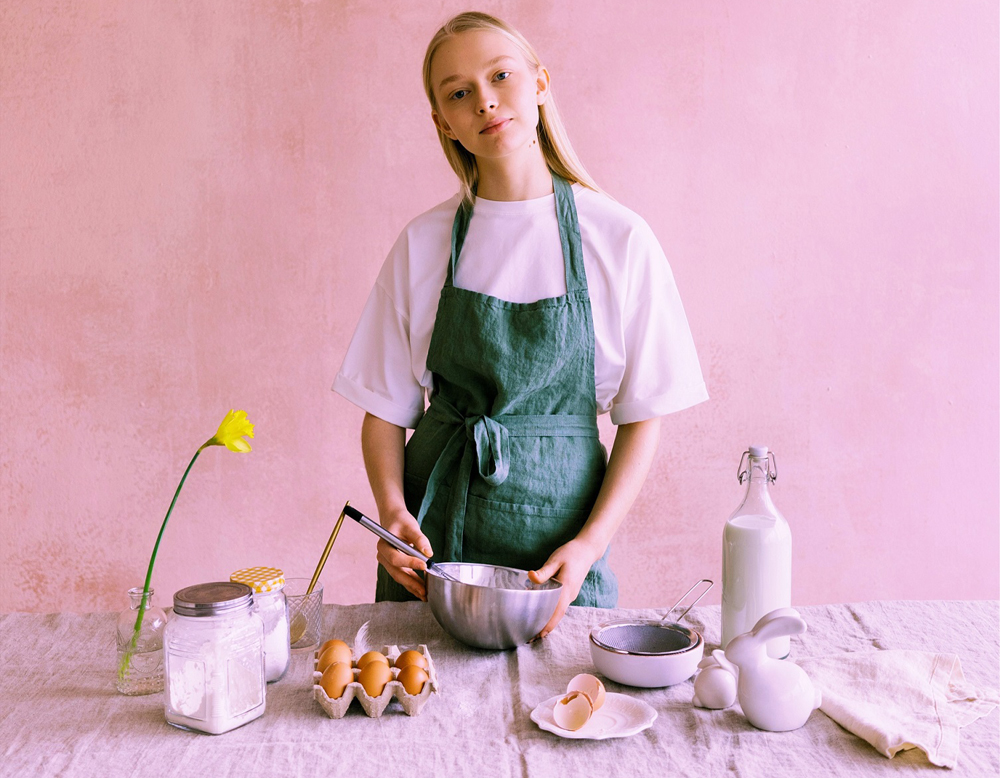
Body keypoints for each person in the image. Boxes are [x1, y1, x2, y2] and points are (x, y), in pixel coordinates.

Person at [333, 11, 708, 638]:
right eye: (458, 93)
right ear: (442, 121)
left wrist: (588, 546)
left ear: (539, 83)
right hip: (433, 555)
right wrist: (393, 514)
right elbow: (385, 409)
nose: (484, 101)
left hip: (558, 557)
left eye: (500, 76)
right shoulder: (423, 243)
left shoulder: (619, 238)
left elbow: (644, 417)